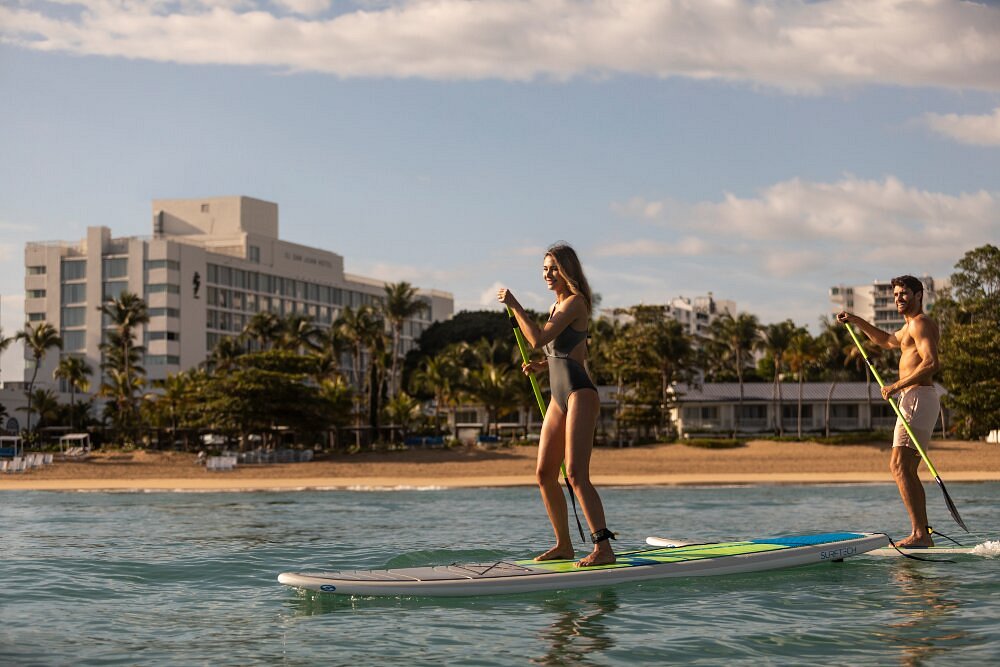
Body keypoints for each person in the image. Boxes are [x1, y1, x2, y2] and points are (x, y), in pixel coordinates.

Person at [498, 243, 616, 567]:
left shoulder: (576, 303)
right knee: (544, 473)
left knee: (576, 474)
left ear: (567, 271)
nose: (548, 275)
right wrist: (541, 365)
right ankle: (564, 544)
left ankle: (603, 548)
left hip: (579, 392)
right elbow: (558, 350)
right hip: (558, 397)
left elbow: (536, 337)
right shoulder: (556, 307)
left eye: (553, 269)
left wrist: (514, 304)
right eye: (544, 270)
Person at [838, 275, 941, 547]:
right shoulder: (908, 328)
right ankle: (922, 534)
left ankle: (920, 535)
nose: (898, 298)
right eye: (895, 295)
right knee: (905, 467)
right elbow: (884, 340)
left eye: (904, 293)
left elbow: (931, 363)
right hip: (914, 398)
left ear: (919, 295)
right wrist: (856, 320)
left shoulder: (920, 323)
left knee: (899, 465)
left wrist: (897, 385)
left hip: (917, 396)